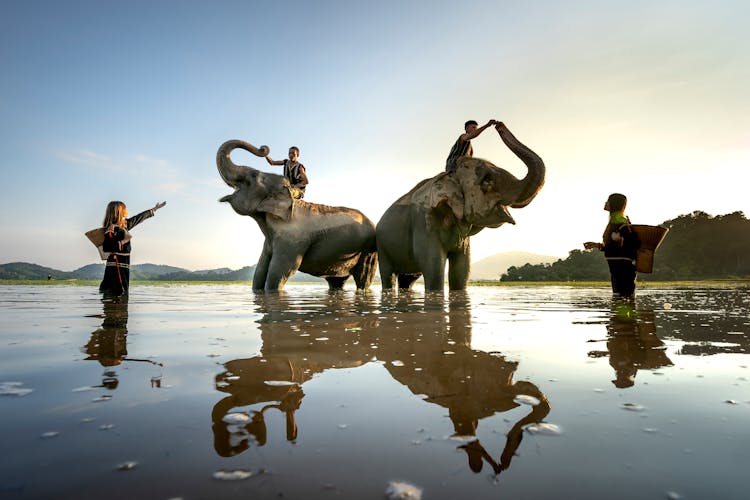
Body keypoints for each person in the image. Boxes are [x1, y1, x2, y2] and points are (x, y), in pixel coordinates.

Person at [99, 200, 166, 295]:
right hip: (116, 268)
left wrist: (154, 209)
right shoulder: (111, 229)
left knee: (121, 294)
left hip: (123, 266)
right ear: (118, 212)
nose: (126, 212)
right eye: (124, 210)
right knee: (118, 293)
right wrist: (125, 240)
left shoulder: (124, 226)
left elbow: (138, 218)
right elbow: (107, 247)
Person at [584, 193, 640, 298]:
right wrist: (597, 245)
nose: (605, 203)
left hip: (623, 267)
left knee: (624, 298)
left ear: (613, 204)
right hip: (616, 267)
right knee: (621, 298)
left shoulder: (621, 222)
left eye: (608, 201)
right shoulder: (616, 221)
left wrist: (617, 241)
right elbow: (614, 246)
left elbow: (628, 245)